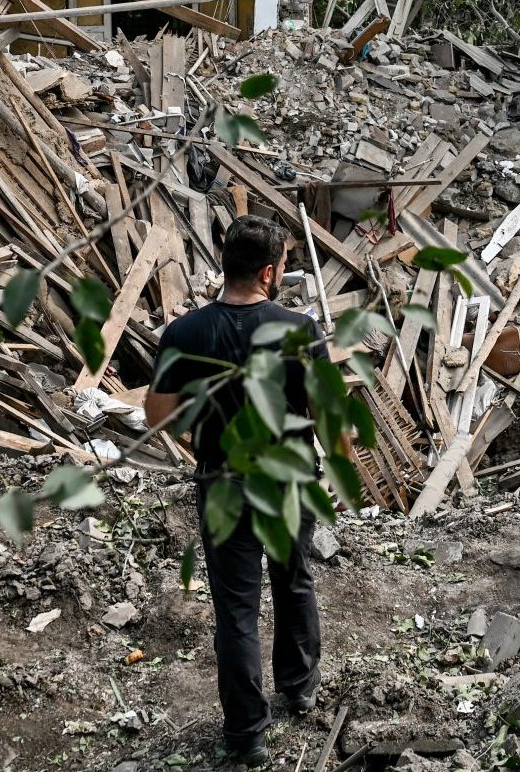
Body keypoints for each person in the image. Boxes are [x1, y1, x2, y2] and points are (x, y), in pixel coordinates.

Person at [146, 216, 321, 767]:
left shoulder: (184, 333)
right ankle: (299, 689)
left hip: (224, 485)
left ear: (228, 264)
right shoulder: (300, 329)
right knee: (293, 581)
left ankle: (247, 736)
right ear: (270, 271)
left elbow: (160, 418)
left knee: (237, 610)